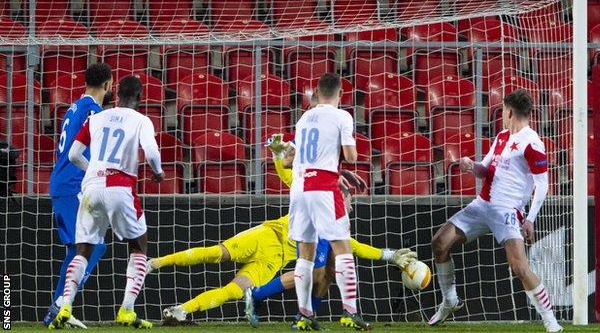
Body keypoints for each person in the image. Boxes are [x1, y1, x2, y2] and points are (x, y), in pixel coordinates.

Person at [150, 143, 415, 326]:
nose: (351, 205)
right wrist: (278, 156)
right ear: (341, 194)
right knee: (214, 254)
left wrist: (389, 255)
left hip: (272, 261)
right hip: (266, 235)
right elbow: (286, 174)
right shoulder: (312, 193)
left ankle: (181, 310)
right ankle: (155, 263)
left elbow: (352, 246)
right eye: (350, 199)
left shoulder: (333, 220)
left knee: (233, 291)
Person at [429, 89, 562, 333]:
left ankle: (551, 322)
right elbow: (485, 170)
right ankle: (449, 301)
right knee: (439, 242)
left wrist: (530, 218)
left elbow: (543, 185)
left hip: (508, 211)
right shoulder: (501, 136)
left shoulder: (532, 143)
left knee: (520, 268)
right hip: (482, 205)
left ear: (509, 112)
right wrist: (472, 166)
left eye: (502, 110)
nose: (501, 114)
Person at [48, 75, 165, 329]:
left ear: (117, 94)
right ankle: (127, 310)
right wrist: (158, 171)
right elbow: (153, 152)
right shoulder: (141, 120)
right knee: (139, 245)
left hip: (90, 187)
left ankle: (65, 305)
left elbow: (73, 154)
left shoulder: (96, 118)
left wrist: (93, 172)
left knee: (83, 249)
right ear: (140, 97)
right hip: (120, 186)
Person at [289, 73, 369, 330]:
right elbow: (351, 156)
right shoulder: (342, 116)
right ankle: (350, 312)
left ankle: (304, 315)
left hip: (299, 187)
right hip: (323, 187)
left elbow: (289, 160)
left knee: (305, 254)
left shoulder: (303, 119)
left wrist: (337, 170)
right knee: (343, 250)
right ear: (341, 93)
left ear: (316, 92)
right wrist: (343, 165)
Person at [45, 63, 114, 328]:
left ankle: (57, 309)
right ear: (108, 85)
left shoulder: (74, 107)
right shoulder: (94, 113)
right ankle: (61, 304)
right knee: (93, 246)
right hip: (73, 185)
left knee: (77, 249)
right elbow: (81, 154)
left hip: (61, 184)